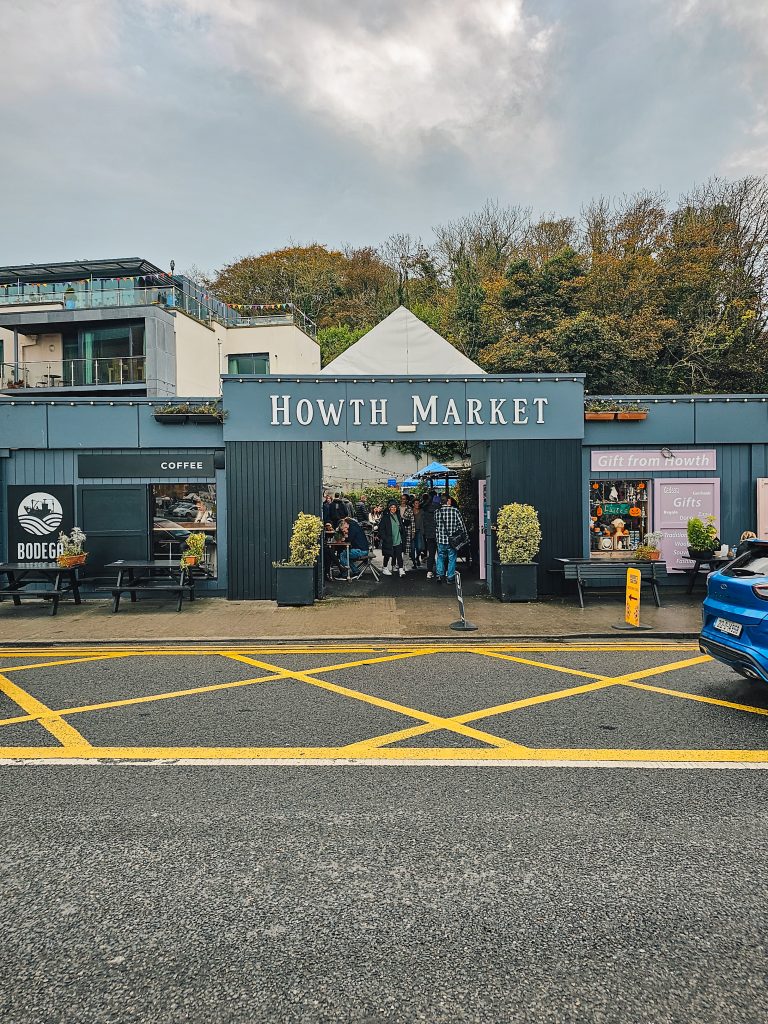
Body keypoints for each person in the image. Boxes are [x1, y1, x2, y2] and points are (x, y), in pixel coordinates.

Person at [434, 495, 467, 584]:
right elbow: (461, 526)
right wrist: (464, 536)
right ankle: (450, 577)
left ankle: (440, 575)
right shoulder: (455, 511)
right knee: (452, 558)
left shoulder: (437, 512)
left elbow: (436, 526)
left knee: (440, 557)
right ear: (448, 501)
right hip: (453, 540)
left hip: (441, 539)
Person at [379, 500, 406, 577]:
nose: (393, 508)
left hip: (398, 538)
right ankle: (385, 567)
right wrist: (385, 538)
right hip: (389, 540)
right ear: (389, 508)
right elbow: (381, 529)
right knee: (387, 555)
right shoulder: (385, 517)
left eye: (395, 507)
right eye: (392, 507)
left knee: (399, 555)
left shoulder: (398, 516)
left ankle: (401, 569)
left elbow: (401, 526)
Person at [421, 491, 439, 578]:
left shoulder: (424, 507)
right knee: (441, 554)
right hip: (439, 533)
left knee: (431, 554)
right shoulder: (438, 507)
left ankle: (429, 572)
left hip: (429, 534)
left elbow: (424, 522)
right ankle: (441, 572)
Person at [399, 495, 414, 567]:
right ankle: (398, 564)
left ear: (407, 500)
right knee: (398, 547)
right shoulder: (397, 508)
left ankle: (405, 565)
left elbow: (412, 521)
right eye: (401, 499)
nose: (402, 500)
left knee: (406, 548)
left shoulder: (409, 509)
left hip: (407, 530)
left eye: (404, 499)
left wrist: (413, 532)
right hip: (398, 531)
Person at [411, 499, 425, 567]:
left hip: (419, 531)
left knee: (419, 547)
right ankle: (414, 563)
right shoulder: (410, 512)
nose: (417, 504)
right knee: (412, 548)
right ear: (413, 504)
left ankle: (417, 558)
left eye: (418, 503)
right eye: (416, 503)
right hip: (412, 531)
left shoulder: (422, 511)